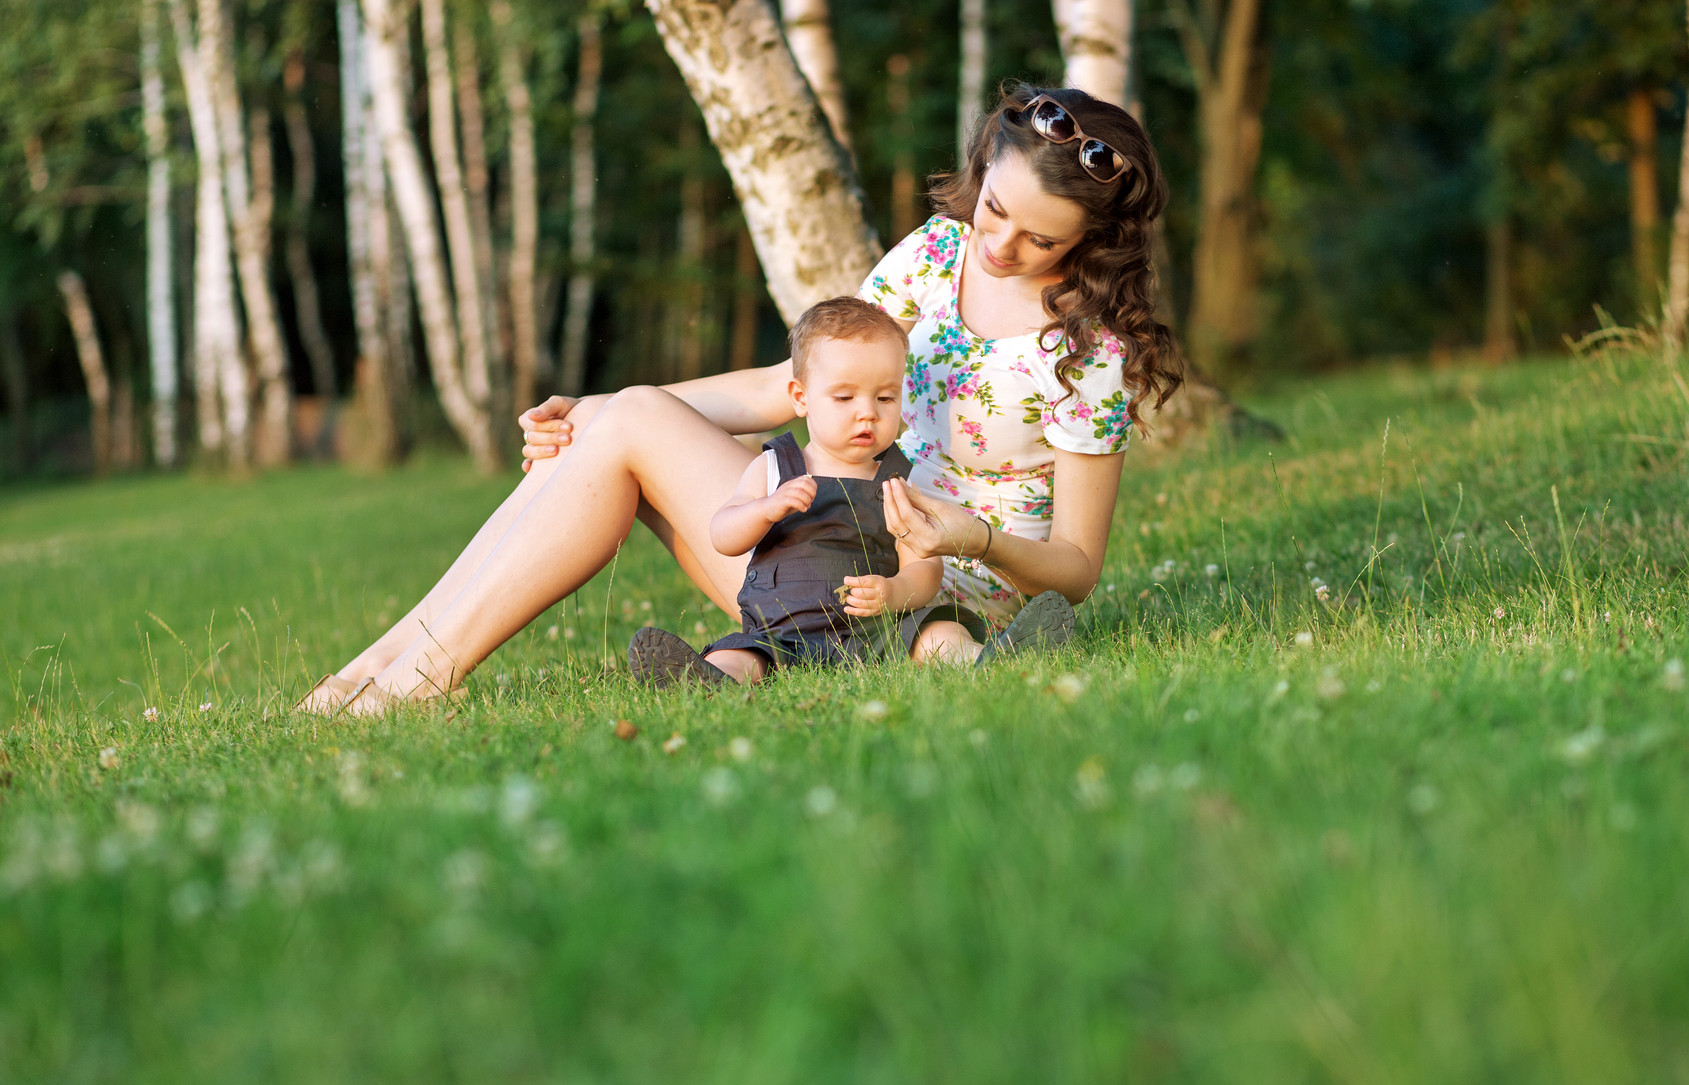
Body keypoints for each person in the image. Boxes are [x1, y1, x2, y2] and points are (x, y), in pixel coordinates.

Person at [300, 83, 1181, 717]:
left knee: (633, 421)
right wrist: (594, 406)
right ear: (983, 170)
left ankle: (419, 677)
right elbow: (785, 389)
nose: (1001, 244)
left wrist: (969, 534)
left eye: (1040, 238)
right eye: (994, 211)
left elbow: (1077, 564)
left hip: (937, 596)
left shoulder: (1087, 352)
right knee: (619, 421)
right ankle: (383, 666)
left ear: (1092, 241)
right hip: (811, 564)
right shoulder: (932, 257)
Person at [627, 294, 1072, 688]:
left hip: (877, 633)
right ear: (800, 398)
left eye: (885, 399)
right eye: (844, 398)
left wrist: (896, 592)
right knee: (742, 654)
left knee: (935, 632)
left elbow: (925, 569)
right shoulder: (775, 468)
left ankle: (983, 661)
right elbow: (723, 535)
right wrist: (765, 509)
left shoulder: (899, 479)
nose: (867, 414)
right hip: (781, 633)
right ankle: (710, 678)